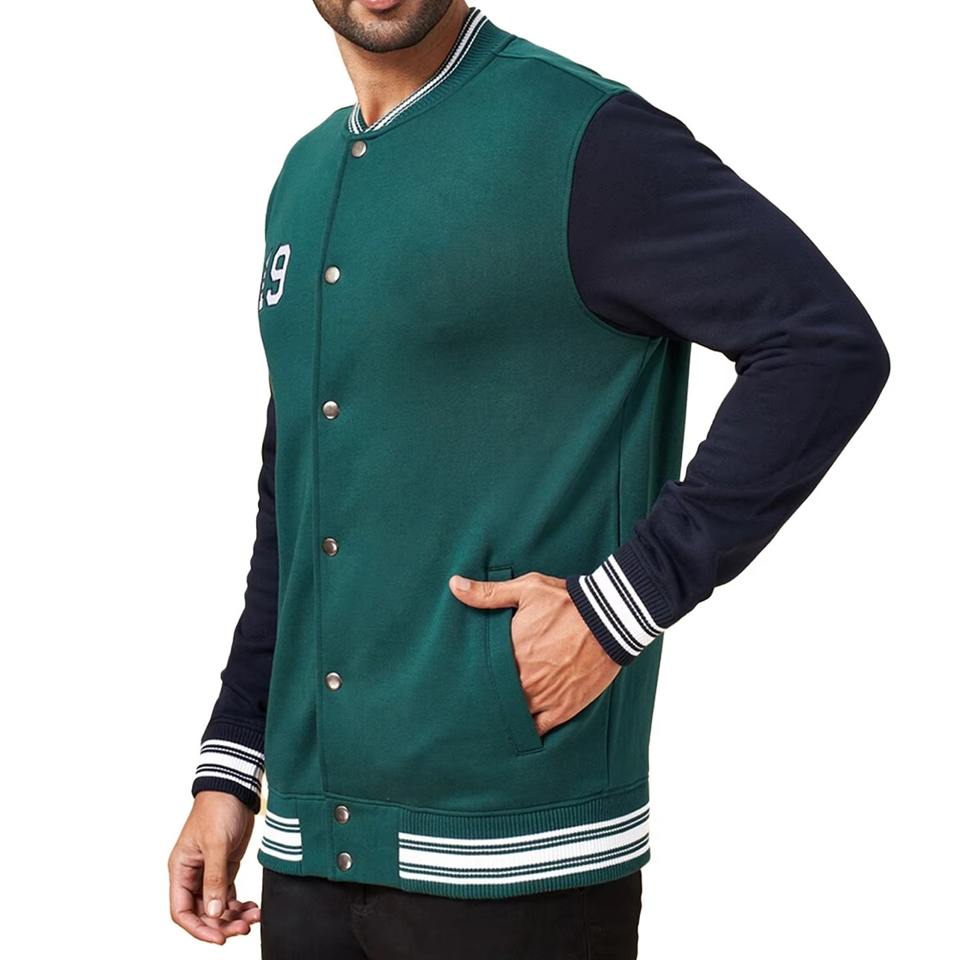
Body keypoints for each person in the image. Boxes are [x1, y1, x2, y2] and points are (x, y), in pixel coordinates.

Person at [167, 2, 891, 957]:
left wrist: (621, 606)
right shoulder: (302, 178)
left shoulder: (586, 140)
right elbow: (296, 491)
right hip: (308, 856)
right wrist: (232, 764)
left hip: (514, 854)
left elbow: (822, 347)